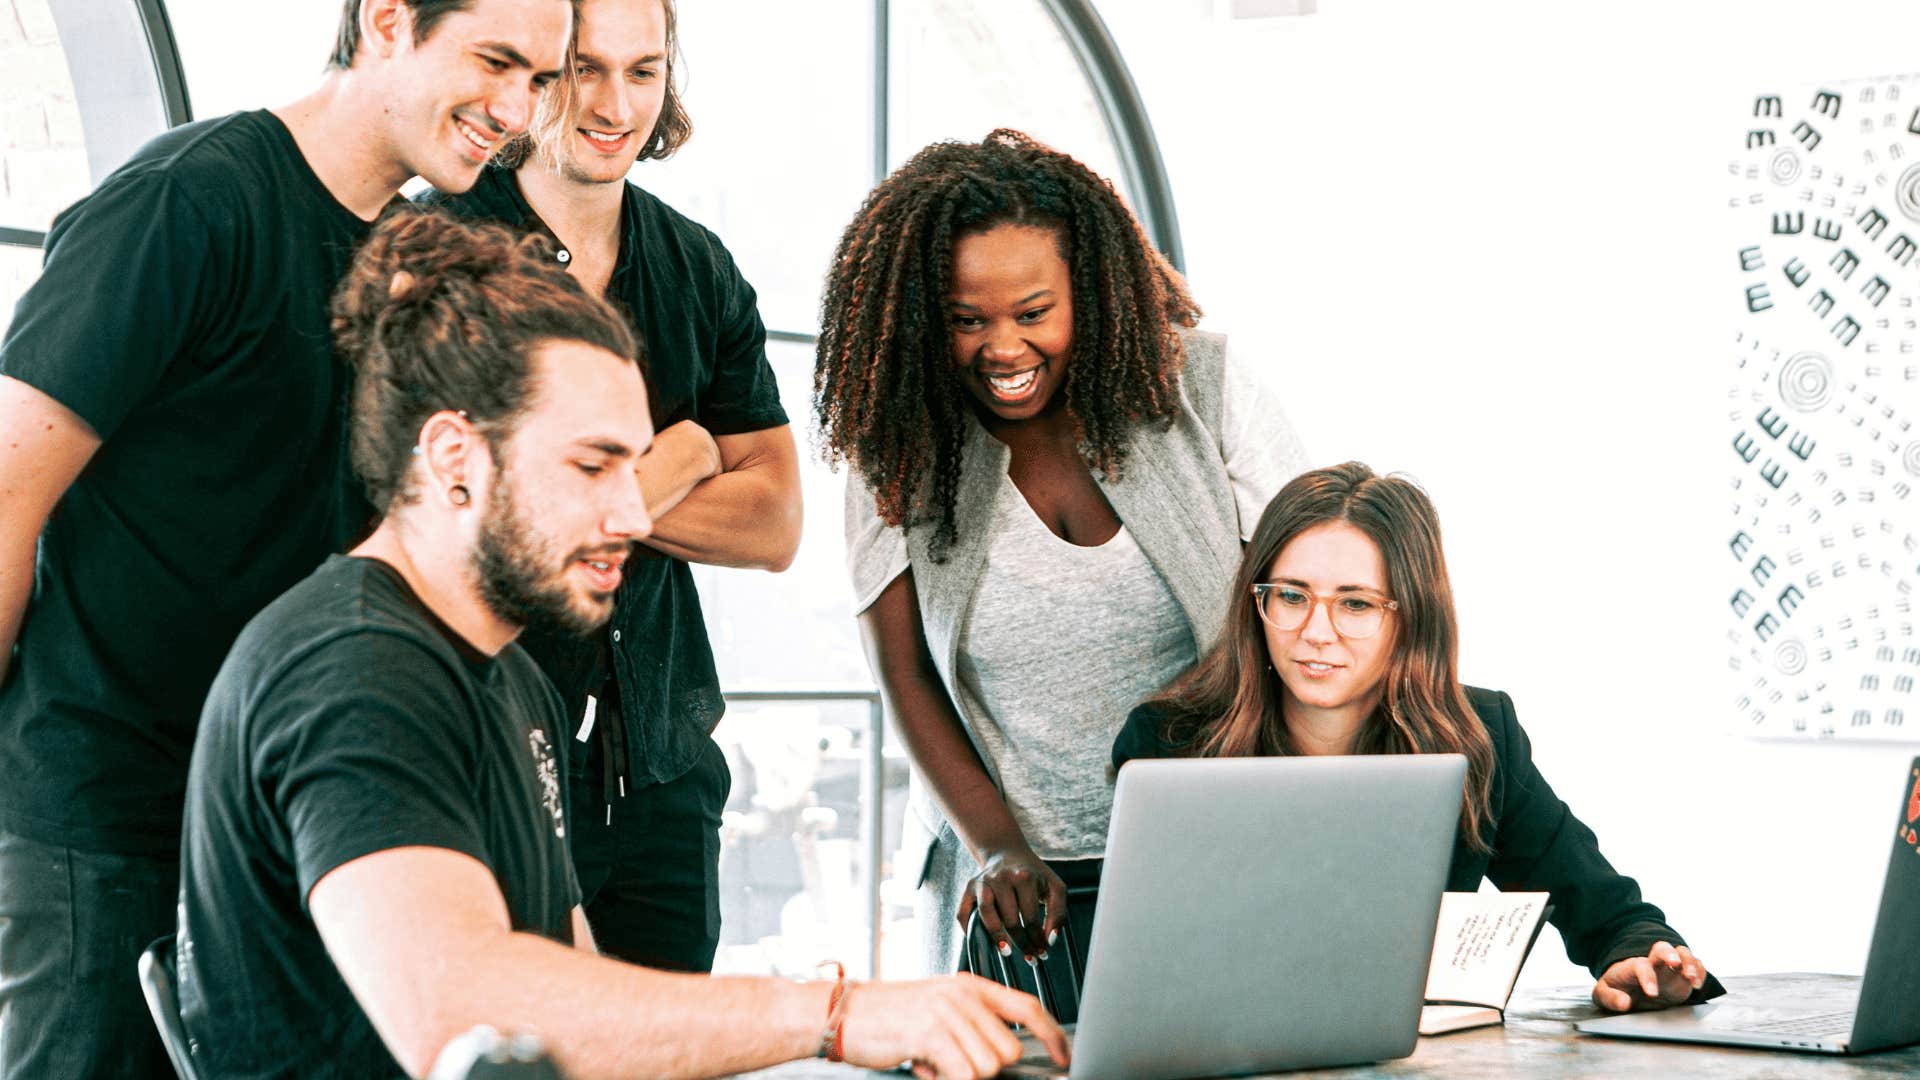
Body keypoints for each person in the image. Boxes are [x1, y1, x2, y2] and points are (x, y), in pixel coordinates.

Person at [176, 209, 1067, 1080]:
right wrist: (836, 1016)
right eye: (592, 466)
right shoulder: (353, 672)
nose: (634, 514)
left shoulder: (510, 680)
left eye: (633, 465)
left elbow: (580, 994)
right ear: (454, 459)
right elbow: (466, 1019)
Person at [0, 1, 570, 1073]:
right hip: (112, 816)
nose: (517, 110)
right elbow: (4, 492)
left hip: (293, 819)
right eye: (496, 61)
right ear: (388, 20)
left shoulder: (418, 262)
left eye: (540, 79)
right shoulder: (187, 203)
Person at [815, 129, 1309, 975]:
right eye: (967, 320)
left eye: (1034, 313)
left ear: (1092, 290)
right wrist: (998, 848)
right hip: (1016, 886)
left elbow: (1305, 607)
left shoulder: (1205, 387)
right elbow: (904, 674)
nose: (1002, 349)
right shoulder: (897, 442)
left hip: (1217, 850)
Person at [421, 0, 801, 973]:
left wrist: (588, 488)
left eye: (644, 69)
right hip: (483, 771)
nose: (614, 103)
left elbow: (774, 524)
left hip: (664, 783)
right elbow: (472, 512)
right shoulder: (433, 253)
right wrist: (677, 457)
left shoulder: (698, 268)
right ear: (536, 72)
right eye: (585, 68)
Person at [1112, 462, 1725, 1013]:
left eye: (1355, 605)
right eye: (1292, 596)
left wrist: (1640, 960)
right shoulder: (1170, 743)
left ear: (1411, 617)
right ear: (1257, 605)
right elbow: (1142, 960)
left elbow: (1606, 911)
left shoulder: (1479, 738)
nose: (1315, 631)